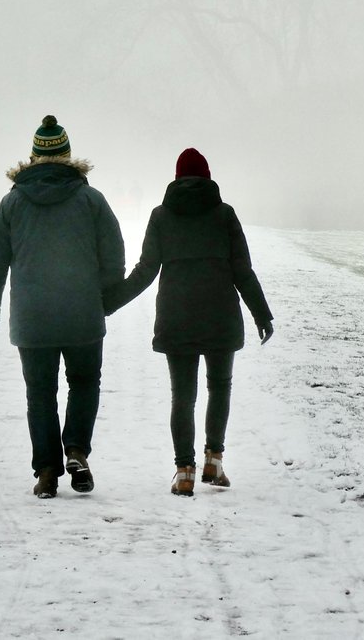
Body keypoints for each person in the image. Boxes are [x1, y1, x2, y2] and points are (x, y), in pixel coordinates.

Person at [105, 148, 273, 496]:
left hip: (177, 315)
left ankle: (184, 472)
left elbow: (146, 270)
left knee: (182, 396)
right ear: (208, 177)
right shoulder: (224, 215)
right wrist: (261, 313)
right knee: (220, 387)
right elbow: (242, 270)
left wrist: (110, 302)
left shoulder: (161, 216)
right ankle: (214, 462)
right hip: (220, 315)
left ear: (177, 178)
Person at [0, 115, 125, 499]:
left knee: (40, 393)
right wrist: (105, 298)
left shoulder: (12, 204)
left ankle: (46, 472)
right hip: (82, 315)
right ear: (68, 156)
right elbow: (114, 256)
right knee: (84, 383)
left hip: (33, 319)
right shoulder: (91, 200)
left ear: (33, 158)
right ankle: (76, 450)